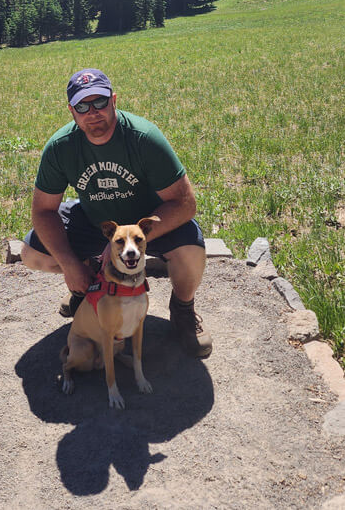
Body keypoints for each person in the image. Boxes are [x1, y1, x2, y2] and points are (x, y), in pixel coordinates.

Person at [21, 68, 212, 358]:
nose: (93, 112)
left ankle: (183, 310)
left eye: (100, 102)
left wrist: (132, 240)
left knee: (191, 251)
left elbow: (185, 203)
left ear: (114, 100)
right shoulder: (61, 147)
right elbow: (43, 211)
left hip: (147, 223)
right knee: (33, 253)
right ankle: (85, 288)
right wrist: (71, 265)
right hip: (95, 220)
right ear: (72, 110)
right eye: (83, 106)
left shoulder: (142, 138)